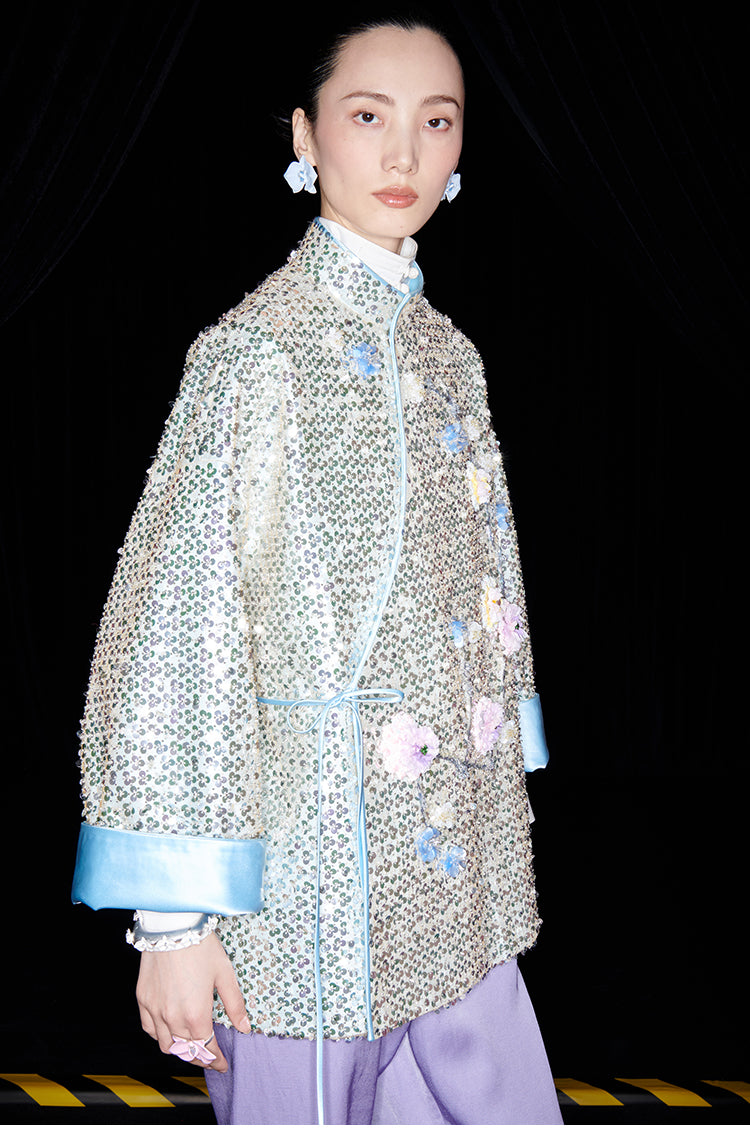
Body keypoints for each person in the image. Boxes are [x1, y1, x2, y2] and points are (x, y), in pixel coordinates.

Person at [72, 13, 562, 1125]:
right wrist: (174, 922)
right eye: (368, 116)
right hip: (303, 902)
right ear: (305, 135)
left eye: (436, 122)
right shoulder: (256, 354)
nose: (404, 154)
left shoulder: (450, 354)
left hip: (455, 895)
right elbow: (176, 630)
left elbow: (486, 609)